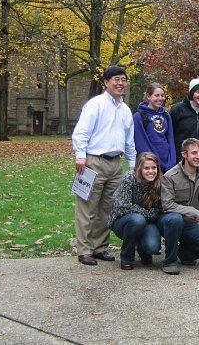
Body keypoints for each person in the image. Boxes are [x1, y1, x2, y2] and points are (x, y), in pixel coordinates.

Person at [71, 65, 136, 266]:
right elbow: (81, 132)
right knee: (87, 208)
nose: (120, 83)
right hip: (93, 162)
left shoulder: (125, 110)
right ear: (106, 82)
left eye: (123, 80)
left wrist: (132, 164)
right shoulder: (95, 104)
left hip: (115, 164)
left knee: (107, 208)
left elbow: (129, 140)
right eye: (116, 79)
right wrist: (80, 156)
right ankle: (84, 250)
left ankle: (100, 247)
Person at [158, 138, 199, 275]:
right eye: (194, 153)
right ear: (184, 155)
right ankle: (170, 261)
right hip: (169, 221)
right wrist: (194, 213)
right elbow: (167, 205)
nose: (198, 156)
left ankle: (184, 253)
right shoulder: (170, 176)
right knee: (175, 219)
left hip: (190, 224)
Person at [108, 152, 162, 270]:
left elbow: (158, 211)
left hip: (147, 221)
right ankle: (127, 257)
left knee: (152, 247)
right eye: (146, 168)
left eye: (154, 168)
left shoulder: (159, 182)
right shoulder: (129, 178)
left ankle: (142, 248)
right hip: (123, 221)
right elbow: (122, 206)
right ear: (139, 168)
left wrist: (147, 215)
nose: (151, 171)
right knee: (138, 220)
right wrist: (146, 213)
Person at [134, 82, 176, 173]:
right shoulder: (140, 116)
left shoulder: (166, 115)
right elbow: (141, 143)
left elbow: (170, 139)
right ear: (148, 96)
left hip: (167, 163)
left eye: (162, 96)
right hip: (149, 165)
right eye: (156, 95)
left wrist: (171, 161)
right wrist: (154, 162)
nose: (160, 98)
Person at [170, 78, 199, 165]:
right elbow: (170, 135)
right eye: (198, 91)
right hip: (182, 160)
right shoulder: (177, 110)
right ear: (191, 93)